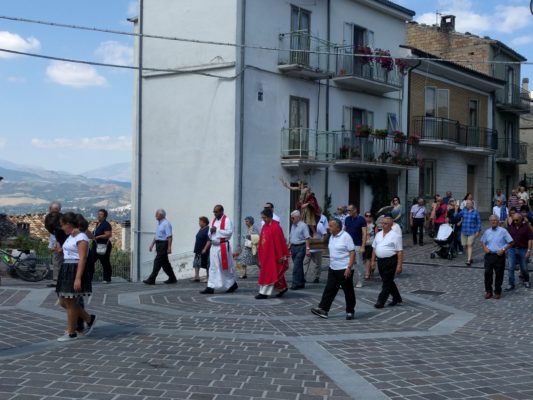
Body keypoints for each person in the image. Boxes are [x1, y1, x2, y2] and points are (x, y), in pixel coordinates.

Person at [55, 212, 96, 341]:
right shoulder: (72, 235)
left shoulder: (81, 237)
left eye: (63, 225)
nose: (61, 228)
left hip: (74, 269)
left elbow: (82, 258)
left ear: (69, 224)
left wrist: (78, 278)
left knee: (71, 302)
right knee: (63, 301)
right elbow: (70, 251)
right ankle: (89, 319)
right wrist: (61, 250)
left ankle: (71, 332)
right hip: (67, 268)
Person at [311, 218, 356, 320]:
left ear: (338, 227)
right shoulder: (332, 236)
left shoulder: (346, 237)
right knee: (329, 289)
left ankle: (350, 311)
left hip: (344, 268)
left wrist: (349, 267)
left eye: (331, 226)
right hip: (333, 268)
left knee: (348, 291)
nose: (328, 228)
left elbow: (352, 252)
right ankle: (323, 309)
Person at [200, 205, 238, 294]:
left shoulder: (227, 220)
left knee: (224, 267)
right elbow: (210, 234)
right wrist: (211, 231)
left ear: (221, 211)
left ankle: (232, 284)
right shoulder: (214, 221)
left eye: (216, 212)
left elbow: (229, 232)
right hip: (214, 247)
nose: (215, 214)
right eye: (214, 212)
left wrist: (216, 231)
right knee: (212, 267)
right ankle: (211, 286)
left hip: (222, 247)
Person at [255, 208, 290, 299]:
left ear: (270, 217)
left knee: (269, 273)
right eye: (262, 218)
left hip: (273, 255)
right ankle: (282, 288)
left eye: (265, 217)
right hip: (265, 254)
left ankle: (264, 293)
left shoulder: (276, 227)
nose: (263, 219)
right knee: (273, 272)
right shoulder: (264, 226)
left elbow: (280, 242)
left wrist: (281, 255)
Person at [370, 216, 403, 309]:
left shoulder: (395, 236)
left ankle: (381, 301)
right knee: (387, 280)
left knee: (386, 282)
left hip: (391, 260)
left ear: (391, 225)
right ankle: (397, 298)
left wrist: (399, 265)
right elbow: (374, 248)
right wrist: (373, 261)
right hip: (380, 261)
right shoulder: (378, 234)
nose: (383, 225)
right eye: (382, 223)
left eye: (385, 223)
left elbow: (399, 251)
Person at [480, 215, 513, 299]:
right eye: (491, 220)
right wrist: (484, 248)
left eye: (495, 220)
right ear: (489, 221)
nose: (493, 222)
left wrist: (503, 249)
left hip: (499, 256)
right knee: (487, 273)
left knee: (499, 274)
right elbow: (483, 241)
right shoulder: (487, 231)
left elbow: (511, 242)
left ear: (498, 221)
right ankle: (488, 291)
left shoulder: (503, 231)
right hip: (489, 255)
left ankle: (497, 292)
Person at [143, 209, 177, 285]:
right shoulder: (159, 224)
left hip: (163, 244)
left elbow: (170, 236)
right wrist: (152, 245)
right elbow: (156, 236)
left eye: (156, 214)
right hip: (159, 244)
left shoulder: (166, 224)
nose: (155, 216)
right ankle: (172, 278)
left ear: (161, 215)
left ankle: (151, 279)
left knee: (157, 261)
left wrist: (169, 247)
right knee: (165, 264)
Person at [505, 213, 532, 291]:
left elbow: (530, 239)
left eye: (517, 220)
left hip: (523, 249)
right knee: (511, 267)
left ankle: (526, 280)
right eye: (514, 220)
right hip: (512, 249)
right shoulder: (510, 227)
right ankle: (511, 284)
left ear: (521, 219)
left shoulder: (526, 228)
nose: (515, 221)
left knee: (524, 267)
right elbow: (506, 238)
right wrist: (505, 249)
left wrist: (529, 250)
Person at [44, 201, 66, 287]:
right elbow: (50, 231)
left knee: (59, 261)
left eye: (56, 209)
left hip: (62, 242)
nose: (54, 211)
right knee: (56, 261)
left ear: (59, 209)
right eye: (52, 209)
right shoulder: (48, 218)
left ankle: (58, 281)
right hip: (56, 240)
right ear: (50, 209)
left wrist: (59, 244)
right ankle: (57, 280)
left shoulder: (62, 218)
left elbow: (61, 232)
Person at [343, 204, 366, 288]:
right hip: (348, 246)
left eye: (349, 210)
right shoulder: (347, 219)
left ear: (355, 210)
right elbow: (344, 231)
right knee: (348, 264)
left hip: (357, 244)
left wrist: (363, 246)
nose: (348, 212)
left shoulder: (361, 219)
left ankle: (360, 280)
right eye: (347, 210)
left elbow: (364, 233)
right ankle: (347, 281)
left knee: (359, 264)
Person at [288, 210, 310, 290]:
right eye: (291, 218)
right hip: (293, 247)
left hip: (301, 247)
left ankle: (295, 283)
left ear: (298, 217)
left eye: (293, 218)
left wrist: (307, 249)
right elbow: (291, 236)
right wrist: (289, 246)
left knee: (296, 266)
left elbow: (307, 238)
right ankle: (301, 282)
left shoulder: (303, 226)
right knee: (299, 266)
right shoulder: (293, 225)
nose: (291, 219)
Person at [89, 209, 113, 284]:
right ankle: (89, 277)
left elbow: (108, 235)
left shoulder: (106, 224)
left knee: (105, 262)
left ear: (105, 216)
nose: (99, 215)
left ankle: (107, 278)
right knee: (90, 261)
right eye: (98, 214)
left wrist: (98, 237)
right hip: (95, 246)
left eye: (101, 214)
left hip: (103, 246)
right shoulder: (97, 224)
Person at [458, 200, 481, 266]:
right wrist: (456, 209)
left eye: (468, 203)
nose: (467, 204)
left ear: (472, 204)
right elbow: (457, 216)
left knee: (469, 245)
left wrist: (478, 231)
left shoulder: (476, 212)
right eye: (466, 203)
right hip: (464, 231)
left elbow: (478, 222)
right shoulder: (464, 211)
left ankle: (468, 260)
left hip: (472, 231)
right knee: (464, 245)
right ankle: (470, 258)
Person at [307, 213, 328, 284]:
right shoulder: (306, 225)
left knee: (317, 263)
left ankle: (316, 277)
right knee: (305, 262)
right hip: (308, 246)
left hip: (317, 247)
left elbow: (325, 234)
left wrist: (322, 242)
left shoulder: (319, 225)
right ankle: (302, 277)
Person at [192, 216, 210, 283]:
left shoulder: (208, 229)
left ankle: (208, 277)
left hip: (205, 250)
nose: (199, 223)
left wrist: (205, 249)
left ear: (204, 222)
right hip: (198, 249)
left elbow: (209, 240)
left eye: (200, 222)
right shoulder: (201, 229)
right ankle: (197, 276)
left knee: (206, 264)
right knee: (196, 263)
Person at [363, 212, 376, 279]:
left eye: (369, 216)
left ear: (371, 217)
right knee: (366, 259)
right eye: (366, 216)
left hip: (372, 244)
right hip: (364, 244)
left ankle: (367, 273)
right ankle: (369, 270)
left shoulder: (374, 225)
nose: (368, 217)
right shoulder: (362, 225)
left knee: (369, 258)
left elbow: (377, 235)